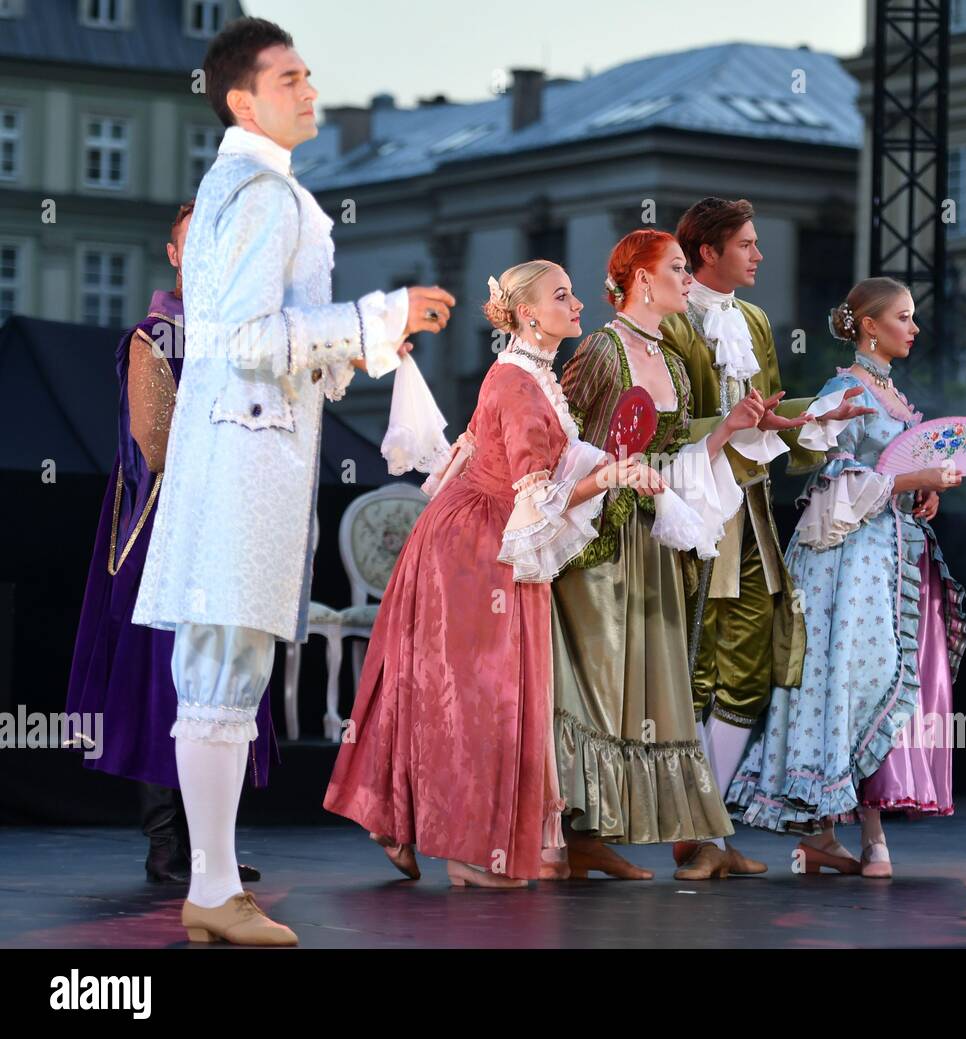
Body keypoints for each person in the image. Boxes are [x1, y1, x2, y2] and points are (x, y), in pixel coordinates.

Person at [133, 16, 451, 945]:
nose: (312, 89)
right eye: (292, 77)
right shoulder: (260, 193)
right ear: (243, 99)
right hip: (242, 459)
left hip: (251, 454)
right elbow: (238, 340)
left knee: (227, 671)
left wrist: (376, 334)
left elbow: (274, 338)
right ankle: (211, 887)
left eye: (312, 73)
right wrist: (373, 317)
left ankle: (214, 885)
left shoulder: (261, 188)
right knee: (221, 670)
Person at [325, 260, 661, 888]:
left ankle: (400, 821)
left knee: (461, 687)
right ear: (529, 313)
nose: (578, 304)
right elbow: (535, 490)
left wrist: (617, 469)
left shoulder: (534, 376)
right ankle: (469, 852)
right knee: (481, 693)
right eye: (563, 295)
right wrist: (610, 477)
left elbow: (560, 468)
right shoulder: (515, 381)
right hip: (478, 547)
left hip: (489, 540)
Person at [728, 278, 966, 878]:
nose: (914, 328)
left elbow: (887, 474)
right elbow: (833, 479)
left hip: (888, 549)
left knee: (874, 677)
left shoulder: (890, 393)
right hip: (847, 557)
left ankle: (856, 834)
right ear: (868, 325)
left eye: (914, 318)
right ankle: (841, 832)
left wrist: (920, 495)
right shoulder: (845, 388)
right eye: (904, 317)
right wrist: (913, 482)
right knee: (848, 678)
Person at [66, 201, 272, 885]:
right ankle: (165, 843)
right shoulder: (155, 337)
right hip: (169, 532)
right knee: (169, 681)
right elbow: (155, 447)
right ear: (176, 255)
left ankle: (209, 843)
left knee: (225, 685)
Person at [550, 230, 767, 880]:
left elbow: (670, 463)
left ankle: (608, 833)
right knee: (596, 685)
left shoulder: (672, 361)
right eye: (676, 268)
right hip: (600, 546)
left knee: (646, 693)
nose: (687, 279)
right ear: (642, 279)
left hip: (652, 544)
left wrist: (727, 430)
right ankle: (572, 828)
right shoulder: (599, 350)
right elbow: (558, 445)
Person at [660, 197, 867, 878]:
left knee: (746, 672)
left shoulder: (751, 321)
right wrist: (733, 431)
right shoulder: (668, 316)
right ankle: (686, 829)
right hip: (686, 518)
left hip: (748, 517)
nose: (759, 255)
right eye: (746, 244)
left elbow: (767, 414)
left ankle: (712, 831)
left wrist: (822, 415)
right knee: (692, 673)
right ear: (708, 253)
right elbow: (659, 434)